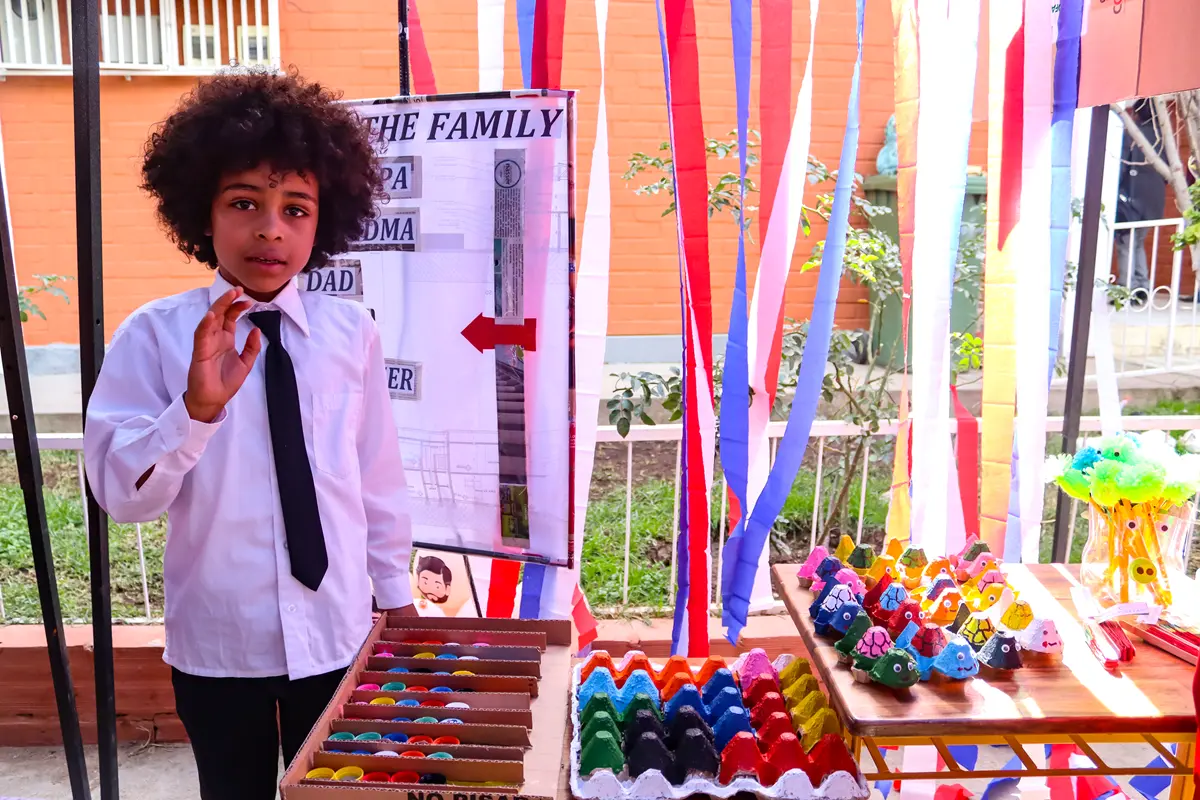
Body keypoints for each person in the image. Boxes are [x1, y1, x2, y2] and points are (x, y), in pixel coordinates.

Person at [83, 69, 417, 800]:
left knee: (344, 791)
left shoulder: (348, 333)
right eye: (245, 203)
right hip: (218, 642)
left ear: (323, 222)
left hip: (337, 635)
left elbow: (372, 479)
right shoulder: (154, 338)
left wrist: (397, 596)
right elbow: (121, 496)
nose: (272, 228)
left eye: (296, 208)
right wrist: (193, 412)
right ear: (202, 214)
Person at [1114, 100, 1167, 305]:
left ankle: (1125, 290)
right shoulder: (1162, 137)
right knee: (1137, 245)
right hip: (1154, 202)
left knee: (1126, 245)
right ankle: (1142, 287)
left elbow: (1122, 168)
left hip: (1132, 199)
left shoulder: (1134, 135)